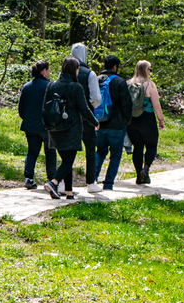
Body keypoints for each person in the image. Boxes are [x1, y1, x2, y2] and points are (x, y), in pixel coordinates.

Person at [43, 57, 99, 200]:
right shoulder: (76, 87)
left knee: (66, 160)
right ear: (74, 70)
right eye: (78, 68)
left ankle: (69, 192)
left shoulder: (51, 85)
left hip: (54, 128)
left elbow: (45, 107)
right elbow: (84, 109)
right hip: (71, 129)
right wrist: (95, 122)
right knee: (68, 161)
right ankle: (53, 182)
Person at [92, 55, 133, 191]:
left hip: (99, 123)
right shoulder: (120, 82)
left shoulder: (95, 80)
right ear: (115, 67)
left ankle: (93, 180)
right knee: (115, 155)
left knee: (100, 152)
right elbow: (126, 104)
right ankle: (108, 183)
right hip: (117, 125)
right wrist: (127, 121)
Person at [17, 60, 57, 189]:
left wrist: (27, 118)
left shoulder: (27, 86)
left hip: (30, 125)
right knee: (50, 152)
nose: (49, 73)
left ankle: (28, 178)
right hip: (46, 125)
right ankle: (51, 179)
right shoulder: (49, 86)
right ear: (44, 70)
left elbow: (21, 108)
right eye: (49, 70)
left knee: (32, 152)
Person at [126, 61, 165, 185]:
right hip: (147, 119)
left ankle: (139, 175)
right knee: (151, 145)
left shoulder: (128, 83)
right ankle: (146, 169)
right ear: (145, 70)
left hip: (131, 120)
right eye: (150, 69)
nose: (150, 71)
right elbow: (156, 105)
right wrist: (161, 119)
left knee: (137, 147)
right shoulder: (150, 85)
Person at [70, 43, 102, 193]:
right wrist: (90, 107)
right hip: (87, 118)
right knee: (90, 150)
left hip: (69, 118)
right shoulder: (90, 73)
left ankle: (64, 182)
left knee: (68, 150)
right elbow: (96, 97)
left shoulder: (64, 73)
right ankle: (91, 182)